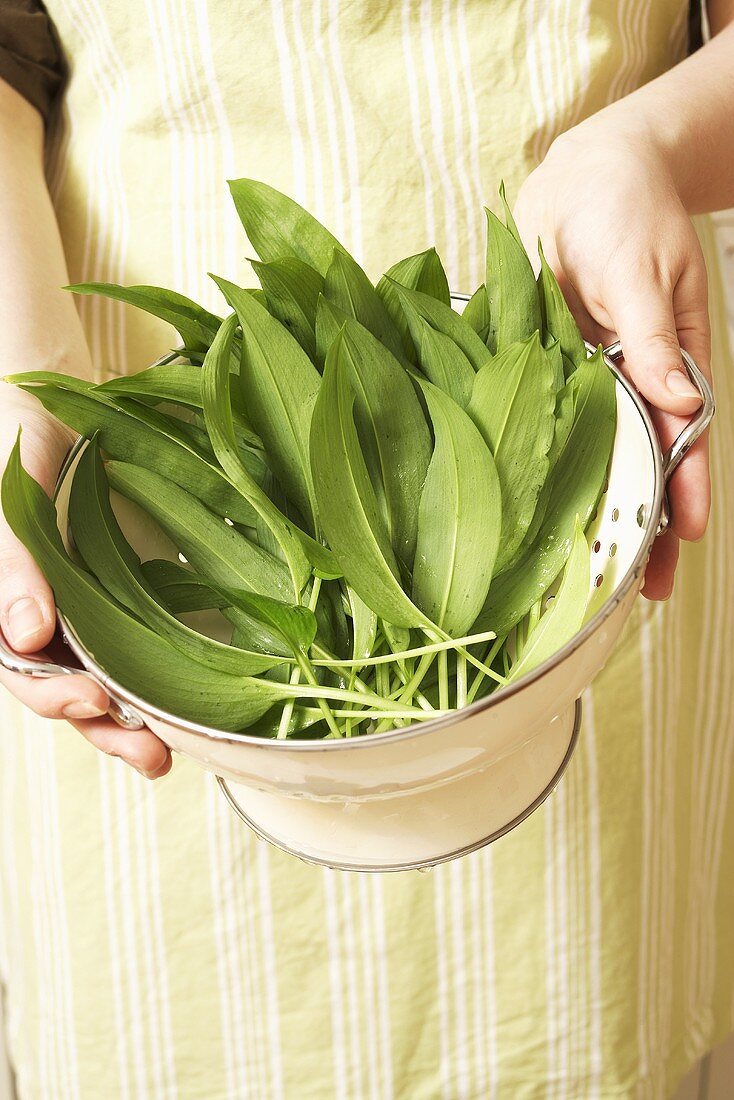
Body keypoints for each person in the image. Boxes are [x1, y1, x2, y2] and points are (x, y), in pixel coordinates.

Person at [0, 1, 732, 1096]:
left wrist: (650, 141)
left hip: (570, 439)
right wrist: (21, 382)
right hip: (172, 486)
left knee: (576, 1031)